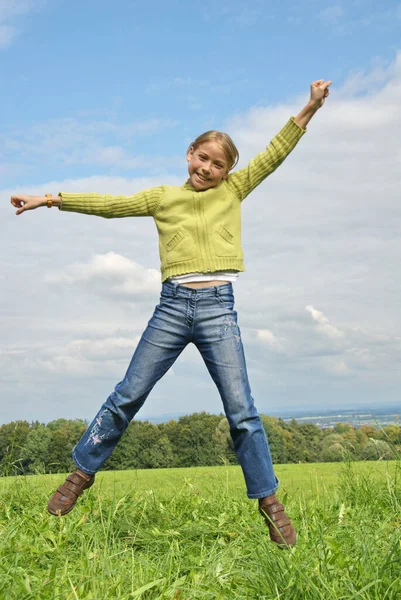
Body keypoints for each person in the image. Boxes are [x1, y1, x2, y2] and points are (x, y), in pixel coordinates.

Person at [11, 79, 331, 546]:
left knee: (242, 412)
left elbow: (276, 150)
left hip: (219, 308)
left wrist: (310, 107)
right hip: (172, 308)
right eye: (203, 158)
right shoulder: (164, 198)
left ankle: (270, 504)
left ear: (227, 173)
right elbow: (111, 205)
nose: (208, 168)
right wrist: (50, 199)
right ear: (189, 154)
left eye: (218, 164)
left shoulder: (236, 189)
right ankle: (79, 476)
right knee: (128, 395)